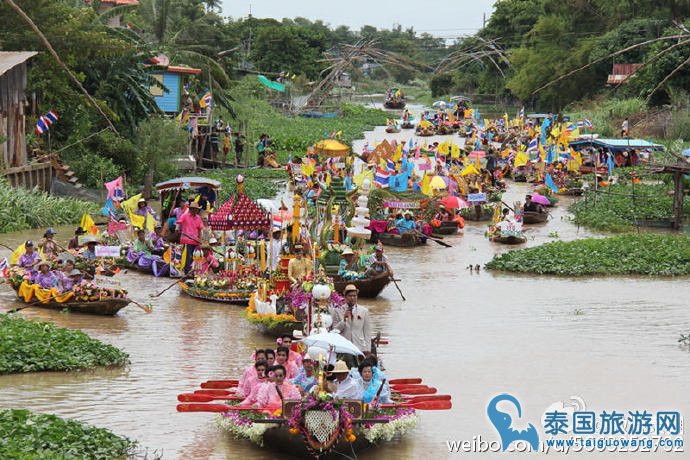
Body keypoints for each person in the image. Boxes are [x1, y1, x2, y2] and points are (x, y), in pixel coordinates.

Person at [330, 284, 373, 354]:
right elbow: (335, 330)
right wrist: (344, 319)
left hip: (359, 347)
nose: (352, 298)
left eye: (354, 296)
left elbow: (367, 332)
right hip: (344, 347)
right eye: (350, 296)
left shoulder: (364, 311)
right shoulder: (338, 310)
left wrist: (368, 349)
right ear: (345, 297)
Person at [176, 201, 205, 272]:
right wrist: (177, 228)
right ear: (190, 209)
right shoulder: (185, 215)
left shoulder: (198, 217)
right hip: (186, 239)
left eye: (196, 209)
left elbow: (200, 229)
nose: (195, 210)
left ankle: (193, 271)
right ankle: (187, 271)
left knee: (195, 256)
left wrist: (200, 240)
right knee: (188, 256)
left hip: (195, 241)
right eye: (193, 209)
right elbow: (178, 222)